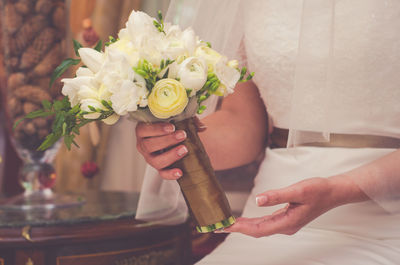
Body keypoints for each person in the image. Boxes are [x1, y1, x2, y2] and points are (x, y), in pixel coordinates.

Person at [135, 0, 400, 264]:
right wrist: (175, 139)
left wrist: (339, 188)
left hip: (387, 221)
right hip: (269, 218)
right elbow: (243, 125)